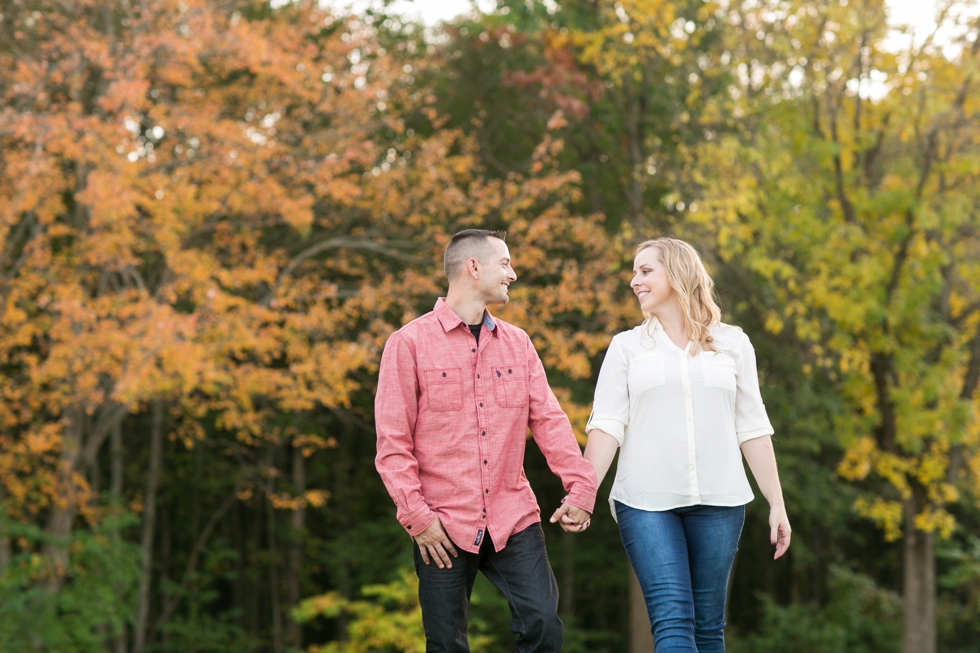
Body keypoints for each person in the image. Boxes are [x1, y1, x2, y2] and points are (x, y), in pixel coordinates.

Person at [375, 229, 597, 652]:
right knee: (445, 643)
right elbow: (392, 445)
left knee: (544, 625)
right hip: (440, 522)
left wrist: (581, 486)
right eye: (505, 263)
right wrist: (418, 518)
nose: (512, 274)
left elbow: (549, 420)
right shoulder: (408, 344)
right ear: (472, 267)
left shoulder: (519, 344)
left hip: (513, 515)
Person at [583, 237, 791, 653]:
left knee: (709, 627)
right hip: (645, 503)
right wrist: (582, 493)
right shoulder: (627, 348)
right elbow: (606, 425)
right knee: (674, 623)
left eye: (645, 271)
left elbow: (752, 428)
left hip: (721, 501)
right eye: (635, 272)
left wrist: (777, 503)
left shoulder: (733, 344)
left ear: (677, 275)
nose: (633, 282)